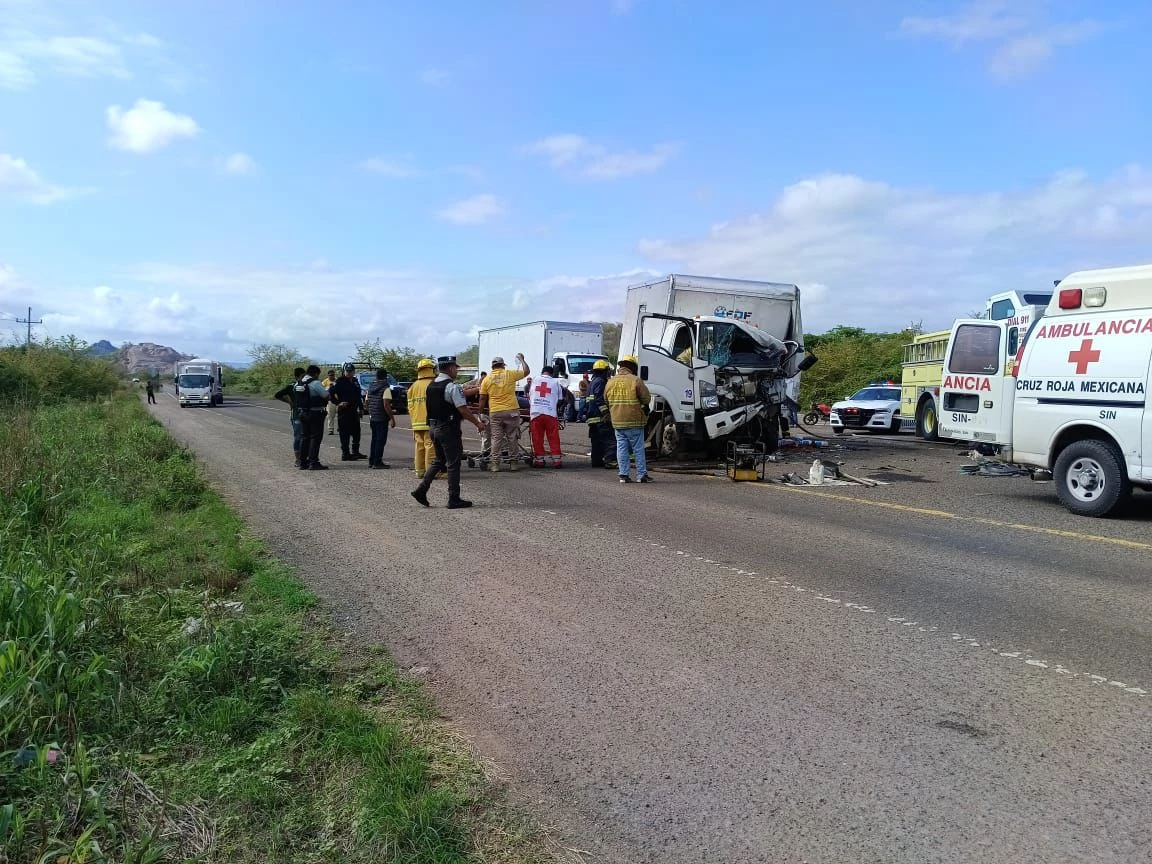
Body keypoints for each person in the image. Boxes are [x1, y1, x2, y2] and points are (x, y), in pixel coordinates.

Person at [411, 356, 484, 509]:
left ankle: (421, 489)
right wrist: (477, 423)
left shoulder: (431, 385)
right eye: (456, 368)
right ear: (450, 368)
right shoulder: (451, 386)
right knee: (453, 463)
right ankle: (453, 498)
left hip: (433, 428)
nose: (456, 371)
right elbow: (462, 409)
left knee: (439, 460)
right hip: (448, 430)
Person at [606, 355, 652, 484]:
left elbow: (606, 400)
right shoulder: (635, 380)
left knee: (621, 448)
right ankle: (641, 475)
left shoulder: (610, 382)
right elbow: (646, 398)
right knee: (638, 448)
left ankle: (623, 475)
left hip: (617, 421)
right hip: (634, 420)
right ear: (632, 367)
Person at [480, 353, 528, 472]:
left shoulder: (487, 379)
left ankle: (495, 464)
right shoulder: (510, 374)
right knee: (512, 437)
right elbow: (526, 371)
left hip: (495, 412)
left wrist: (480, 413)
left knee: (496, 438)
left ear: (492, 367)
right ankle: (513, 463)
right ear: (503, 365)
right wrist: (522, 360)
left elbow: (482, 398)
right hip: (511, 411)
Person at [294, 364, 330, 470]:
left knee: (305, 437)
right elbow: (326, 396)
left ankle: (303, 462)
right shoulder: (315, 383)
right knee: (315, 438)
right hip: (315, 413)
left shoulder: (298, 384)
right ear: (315, 374)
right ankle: (313, 462)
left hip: (302, 413)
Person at [406, 358, 437, 478]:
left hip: (416, 422)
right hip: (429, 421)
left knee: (419, 446)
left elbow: (410, 406)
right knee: (430, 446)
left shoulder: (412, 387)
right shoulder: (433, 384)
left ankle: (419, 471)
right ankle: (430, 472)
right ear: (431, 369)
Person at [528, 366, 564, 468]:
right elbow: (560, 400)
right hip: (551, 413)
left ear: (542, 372)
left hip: (536, 413)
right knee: (553, 437)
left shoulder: (535, 379)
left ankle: (539, 460)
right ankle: (557, 460)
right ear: (551, 374)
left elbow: (530, 396)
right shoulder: (556, 382)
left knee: (537, 437)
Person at [329, 363, 366, 462]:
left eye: (351, 371)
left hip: (354, 411)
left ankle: (355, 452)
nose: (349, 373)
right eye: (347, 371)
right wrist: (338, 403)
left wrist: (361, 408)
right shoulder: (339, 381)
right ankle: (345, 454)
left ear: (354, 372)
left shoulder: (355, 381)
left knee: (356, 432)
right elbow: (330, 394)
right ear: (344, 371)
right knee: (344, 433)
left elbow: (358, 396)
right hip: (344, 412)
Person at [585, 359, 616, 469]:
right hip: (600, 417)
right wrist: (606, 412)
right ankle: (610, 461)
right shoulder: (600, 382)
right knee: (609, 439)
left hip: (592, 418)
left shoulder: (591, 383)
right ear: (604, 371)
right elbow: (599, 399)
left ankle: (596, 461)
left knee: (596, 441)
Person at [274, 366, 306, 467]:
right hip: (296, 415)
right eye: (302, 376)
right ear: (297, 377)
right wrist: (289, 402)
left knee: (306, 437)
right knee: (298, 437)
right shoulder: (291, 387)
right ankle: (297, 459)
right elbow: (277, 395)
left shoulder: (307, 386)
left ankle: (305, 458)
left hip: (306, 415)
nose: (304, 378)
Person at [365, 368, 396, 469]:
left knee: (374, 439)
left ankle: (372, 461)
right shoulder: (385, 388)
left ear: (376, 376)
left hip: (373, 417)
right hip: (381, 418)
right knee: (380, 440)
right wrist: (392, 418)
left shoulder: (370, 387)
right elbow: (386, 404)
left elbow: (366, 402)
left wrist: (371, 412)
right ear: (385, 377)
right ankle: (377, 462)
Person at [322, 368, 339, 435]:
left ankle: (340, 427)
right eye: (330, 375)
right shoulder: (325, 382)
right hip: (330, 401)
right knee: (330, 416)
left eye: (333, 375)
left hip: (338, 400)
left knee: (340, 415)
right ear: (328, 375)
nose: (332, 376)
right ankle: (331, 429)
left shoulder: (337, 381)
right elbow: (322, 391)